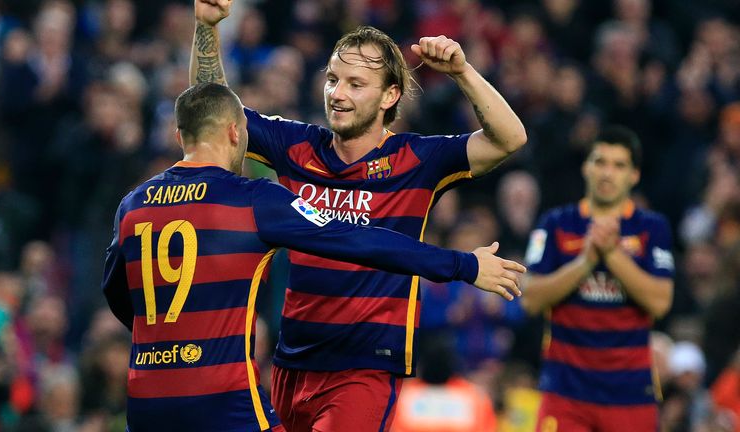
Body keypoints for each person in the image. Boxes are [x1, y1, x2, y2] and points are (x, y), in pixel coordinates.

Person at [102, 82, 526, 431]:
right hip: (224, 400)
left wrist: (167, 342)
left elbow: (118, 295)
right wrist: (463, 265)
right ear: (235, 133)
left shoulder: (132, 205)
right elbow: (357, 241)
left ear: (180, 136)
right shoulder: (255, 199)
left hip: (145, 403)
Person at [190, 2, 527, 430]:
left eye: (355, 83)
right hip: (291, 363)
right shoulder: (296, 148)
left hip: (365, 369)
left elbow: (510, 137)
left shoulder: (417, 160)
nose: (338, 94)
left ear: (390, 96)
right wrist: (207, 28)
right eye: (332, 80)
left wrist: (462, 72)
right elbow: (210, 118)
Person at [520, 126, 675, 431]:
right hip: (565, 393)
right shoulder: (555, 223)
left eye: (619, 165)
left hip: (630, 395)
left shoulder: (652, 228)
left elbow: (660, 302)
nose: (607, 173)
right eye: (600, 162)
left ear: (634, 175)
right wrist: (586, 261)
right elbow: (530, 299)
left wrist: (612, 255)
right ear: (585, 167)